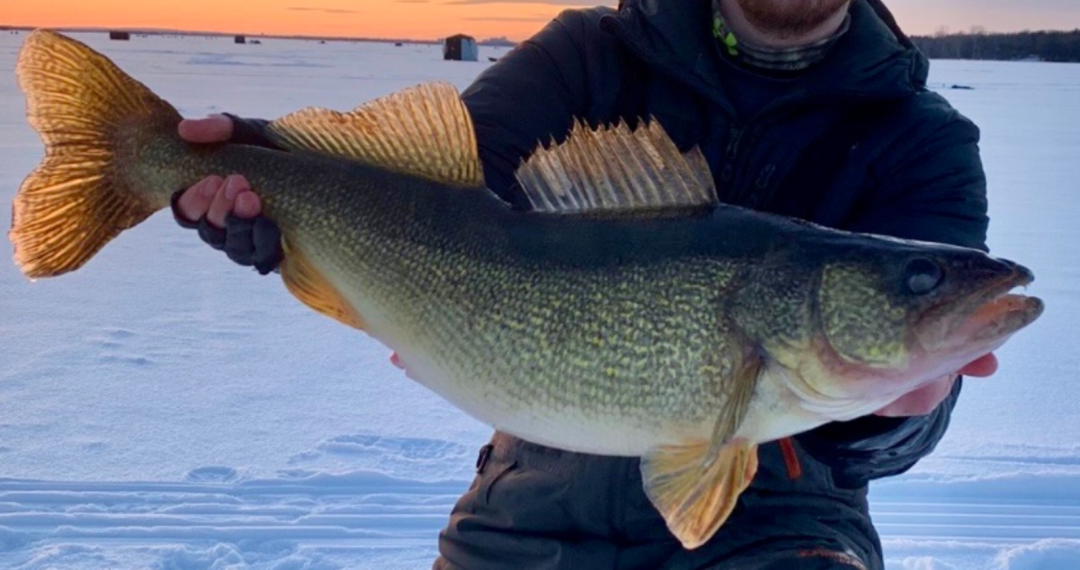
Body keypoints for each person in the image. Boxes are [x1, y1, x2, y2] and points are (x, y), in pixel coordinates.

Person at [172, 0, 998, 568]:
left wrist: (897, 415)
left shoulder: (922, 141)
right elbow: (441, 181)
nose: (928, 291)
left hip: (785, 519)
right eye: (915, 282)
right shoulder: (587, 57)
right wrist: (267, 164)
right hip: (530, 499)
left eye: (913, 281)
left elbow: (897, 439)